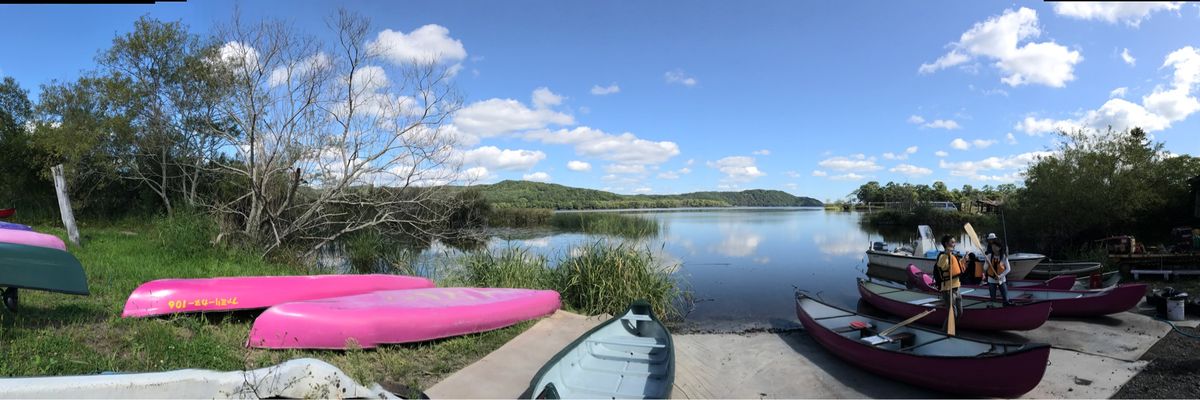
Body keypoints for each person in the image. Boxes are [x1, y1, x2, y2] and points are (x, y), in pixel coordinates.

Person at [934, 235, 963, 333]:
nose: (954, 244)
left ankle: (952, 328)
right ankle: (945, 331)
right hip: (948, 289)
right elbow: (941, 265)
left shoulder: (953, 255)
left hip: (957, 287)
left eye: (954, 242)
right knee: (953, 313)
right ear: (946, 244)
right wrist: (947, 254)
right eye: (952, 242)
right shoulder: (943, 256)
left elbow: (957, 269)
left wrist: (963, 261)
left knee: (960, 312)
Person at [984, 233, 1013, 306]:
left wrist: (1001, 276)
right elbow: (985, 268)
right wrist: (987, 262)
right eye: (992, 246)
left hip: (1001, 280)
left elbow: (1008, 269)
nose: (993, 247)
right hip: (991, 280)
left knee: (1006, 298)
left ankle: (1006, 306)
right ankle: (994, 308)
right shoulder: (989, 256)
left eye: (995, 246)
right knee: (993, 298)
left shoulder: (1003, 257)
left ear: (999, 247)